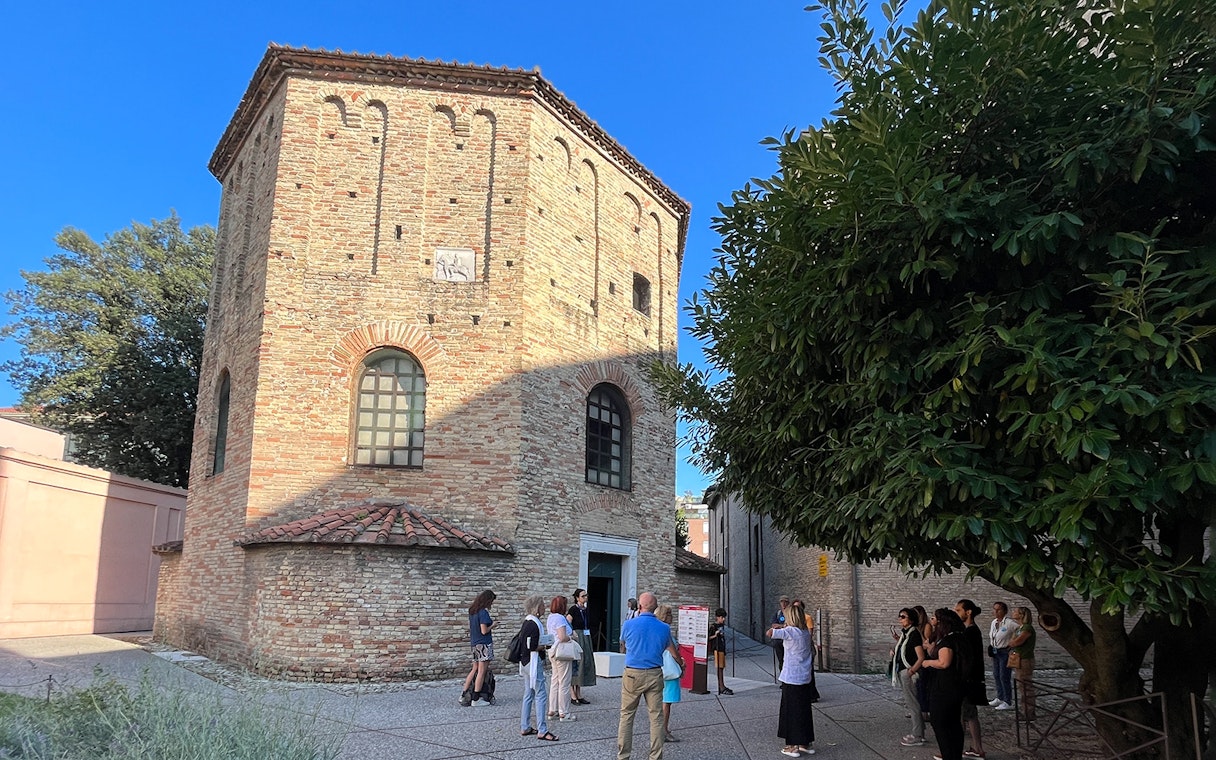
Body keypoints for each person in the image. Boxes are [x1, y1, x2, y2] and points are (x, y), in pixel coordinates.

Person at [617, 591, 679, 760]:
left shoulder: (628, 625)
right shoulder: (664, 628)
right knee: (656, 717)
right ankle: (655, 756)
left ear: (640, 606)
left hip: (632, 673)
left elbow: (623, 644)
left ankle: (623, 756)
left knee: (627, 715)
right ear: (656, 607)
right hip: (654, 672)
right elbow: (670, 648)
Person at [767, 603, 817, 756]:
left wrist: (781, 626)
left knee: (790, 712)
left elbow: (769, 633)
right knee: (803, 711)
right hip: (804, 677)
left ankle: (792, 746)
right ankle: (804, 742)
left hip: (791, 678)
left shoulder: (789, 631)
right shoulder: (804, 633)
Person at [922, 607, 968, 760]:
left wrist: (928, 662)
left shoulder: (949, 640)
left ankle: (949, 755)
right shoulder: (959, 637)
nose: (932, 622)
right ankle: (954, 754)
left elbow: (944, 663)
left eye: (935, 619)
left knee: (941, 722)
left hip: (945, 687)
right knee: (953, 722)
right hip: (955, 686)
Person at [519, 594, 558, 741]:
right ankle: (542, 729)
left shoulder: (527, 622)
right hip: (533, 662)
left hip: (525, 662)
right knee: (541, 694)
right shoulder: (534, 624)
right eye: (542, 605)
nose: (544, 608)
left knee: (528, 694)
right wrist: (545, 645)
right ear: (537, 608)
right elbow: (532, 646)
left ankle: (525, 726)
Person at [954, 599, 988, 759]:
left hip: (969, 680)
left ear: (968, 612)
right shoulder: (969, 631)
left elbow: (968, 658)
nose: (957, 613)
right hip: (970, 679)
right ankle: (976, 748)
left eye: (959, 610)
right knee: (968, 715)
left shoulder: (971, 632)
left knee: (967, 715)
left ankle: (972, 748)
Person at [892, 607, 927, 747]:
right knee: (911, 703)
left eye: (903, 616)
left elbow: (921, 657)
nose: (900, 619)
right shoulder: (905, 634)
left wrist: (911, 671)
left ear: (911, 620)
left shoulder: (914, 635)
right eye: (900, 616)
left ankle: (917, 735)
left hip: (908, 672)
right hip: (902, 670)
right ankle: (920, 732)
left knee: (913, 704)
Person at [460, 589, 498, 707]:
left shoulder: (472, 612)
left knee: (474, 669)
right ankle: (476, 698)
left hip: (474, 643)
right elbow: (484, 630)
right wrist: (493, 625)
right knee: (482, 671)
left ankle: (463, 695)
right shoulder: (483, 613)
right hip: (484, 644)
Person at [547, 595, 577, 721]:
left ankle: (552, 709)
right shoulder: (560, 618)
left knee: (555, 680)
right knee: (564, 682)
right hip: (562, 652)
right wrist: (572, 637)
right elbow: (562, 636)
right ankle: (564, 712)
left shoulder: (550, 617)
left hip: (553, 651)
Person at [655, 604, 682, 743]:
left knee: (660, 702)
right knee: (667, 703)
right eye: (670, 614)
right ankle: (664, 730)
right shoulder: (665, 632)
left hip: (658, 669)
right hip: (669, 670)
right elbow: (674, 653)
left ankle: (661, 728)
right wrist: (681, 664)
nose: (673, 617)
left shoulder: (655, 630)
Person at [568, 588, 597, 705]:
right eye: (583, 596)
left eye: (586, 595)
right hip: (578, 636)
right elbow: (567, 622)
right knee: (576, 663)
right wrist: (572, 634)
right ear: (577, 598)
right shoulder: (573, 609)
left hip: (586, 637)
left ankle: (579, 693)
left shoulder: (586, 610)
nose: (585, 598)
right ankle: (572, 694)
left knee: (584, 663)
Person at [1008, 606, 1037, 721]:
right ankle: (1025, 710)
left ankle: (1029, 712)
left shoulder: (1027, 628)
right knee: (1021, 686)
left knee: (1026, 686)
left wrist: (1012, 642)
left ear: (1021, 615)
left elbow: (1016, 642)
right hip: (1018, 659)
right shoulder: (1020, 628)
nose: (1013, 613)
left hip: (1025, 659)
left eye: (1016, 611)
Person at [988, 602, 1015, 710]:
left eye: (998, 610)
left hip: (1004, 651)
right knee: (996, 674)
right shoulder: (994, 622)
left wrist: (1013, 643)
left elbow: (1020, 630)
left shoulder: (1009, 623)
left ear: (1004, 611)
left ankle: (1007, 700)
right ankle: (1000, 696)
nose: (995, 612)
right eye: (994, 609)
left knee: (1004, 676)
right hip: (995, 651)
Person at [708, 608, 734, 695]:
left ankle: (722, 685)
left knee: (722, 667)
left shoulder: (721, 626)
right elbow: (708, 638)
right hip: (717, 648)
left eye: (724, 617)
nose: (723, 619)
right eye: (722, 617)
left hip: (722, 647)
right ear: (717, 617)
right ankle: (721, 686)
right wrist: (715, 635)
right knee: (719, 667)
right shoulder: (713, 626)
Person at [771, 595, 791, 670]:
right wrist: (783, 625)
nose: (783, 604)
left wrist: (780, 626)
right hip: (779, 640)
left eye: (785, 602)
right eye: (782, 602)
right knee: (780, 659)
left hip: (788, 640)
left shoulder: (790, 614)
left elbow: (791, 625)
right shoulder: (778, 613)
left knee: (788, 659)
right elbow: (773, 625)